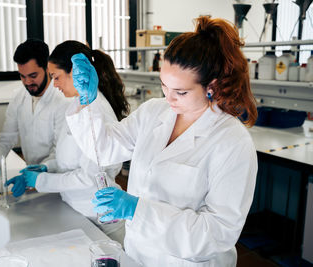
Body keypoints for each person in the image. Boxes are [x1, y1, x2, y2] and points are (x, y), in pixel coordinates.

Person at [65, 16, 258, 266]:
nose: (169, 98)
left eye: (181, 92)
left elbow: (217, 234)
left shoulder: (232, 142)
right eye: (164, 86)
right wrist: (88, 101)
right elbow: (104, 148)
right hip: (137, 254)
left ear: (212, 86)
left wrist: (138, 210)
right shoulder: (155, 111)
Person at [6, 40, 130, 244]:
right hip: (78, 211)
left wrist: (39, 182)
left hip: (103, 221)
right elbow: (67, 155)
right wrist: (46, 167)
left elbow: (89, 177)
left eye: (56, 77)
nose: (54, 84)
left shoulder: (98, 112)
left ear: (76, 72)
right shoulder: (76, 105)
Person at [0, 39, 69, 186]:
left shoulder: (62, 101)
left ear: (47, 68)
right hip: (29, 173)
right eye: (22, 76)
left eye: (33, 76)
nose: (27, 82)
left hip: (55, 178)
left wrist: (39, 172)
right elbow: (7, 137)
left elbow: (60, 152)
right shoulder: (18, 97)